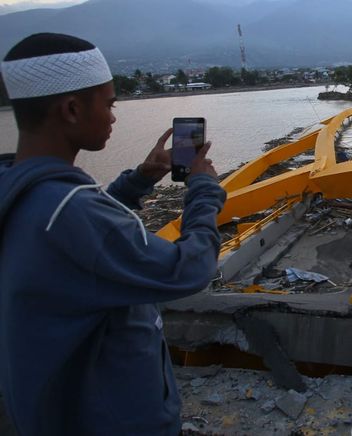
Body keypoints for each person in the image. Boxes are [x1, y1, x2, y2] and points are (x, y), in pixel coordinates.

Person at [0, 33, 225, 435]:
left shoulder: (22, 191)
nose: (114, 117)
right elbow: (187, 270)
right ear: (71, 109)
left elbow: (84, 242)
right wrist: (204, 190)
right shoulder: (70, 212)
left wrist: (138, 181)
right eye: (109, 104)